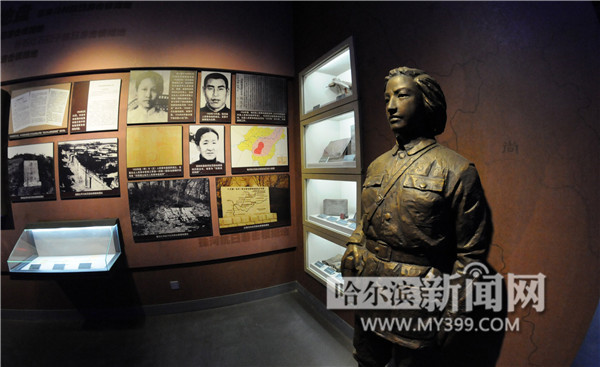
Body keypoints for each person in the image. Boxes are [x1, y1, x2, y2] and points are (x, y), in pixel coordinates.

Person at [341, 67, 495, 367]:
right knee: (365, 359)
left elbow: (471, 255)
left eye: (402, 95)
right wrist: (355, 244)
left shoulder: (457, 170)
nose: (390, 106)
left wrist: (453, 313)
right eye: (387, 97)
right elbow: (365, 221)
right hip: (370, 285)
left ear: (426, 102)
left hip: (418, 295)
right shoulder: (377, 166)